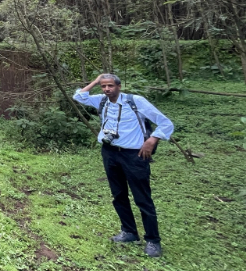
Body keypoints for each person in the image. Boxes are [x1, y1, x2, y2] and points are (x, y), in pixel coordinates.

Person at [73, 74, 174, 258]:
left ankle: (153, 240)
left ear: (119, 86)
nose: (106, 89)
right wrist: (95, 81)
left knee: (142, 198)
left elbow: (166, 123)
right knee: (118, 195)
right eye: (103, 86)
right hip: (110, 152)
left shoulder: (135, 101)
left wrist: (152, 140)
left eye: (110, 85)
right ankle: (129, 232)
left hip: (134, 155)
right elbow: (79, 96)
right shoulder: (101, 101)